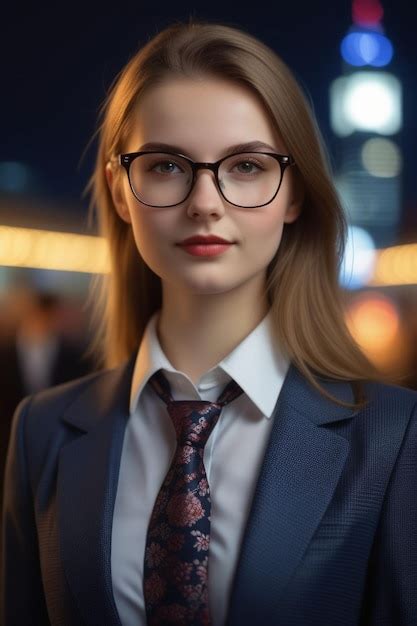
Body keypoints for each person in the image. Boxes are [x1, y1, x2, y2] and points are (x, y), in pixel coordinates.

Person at [2, 19, 417, 626]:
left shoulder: (394, 436)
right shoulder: (42, 432)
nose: (205, 201)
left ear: (293, 192)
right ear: (122, 189)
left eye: (246, 166)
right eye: (167, 165)